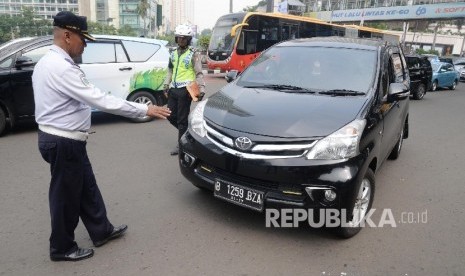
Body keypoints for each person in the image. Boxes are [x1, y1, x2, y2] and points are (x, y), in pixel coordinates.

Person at [32, 11, 171, 262]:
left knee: (86, 188)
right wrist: (144, 108)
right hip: (64, 142)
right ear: (66, 36)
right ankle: (61, 248)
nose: (84, 45)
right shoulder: (61, 68)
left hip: (65, 139)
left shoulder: (47, 63)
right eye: (82, 39)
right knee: (65, 196)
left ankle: (101, 230)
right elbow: (100, 100)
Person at [163, 24, 206, 156]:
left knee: (182, 120)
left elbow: (199, 73)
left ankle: (181, 144)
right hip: (173, 89)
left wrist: (201, 88)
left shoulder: (193, 54)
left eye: (184, 38)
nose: (181, 40)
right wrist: (166, 85)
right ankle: (189, 133)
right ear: (176, 39)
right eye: (179, 38)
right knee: (170, 116)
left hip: (185, 90)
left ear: (188, 39)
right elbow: (170, 70)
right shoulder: (173, 53)